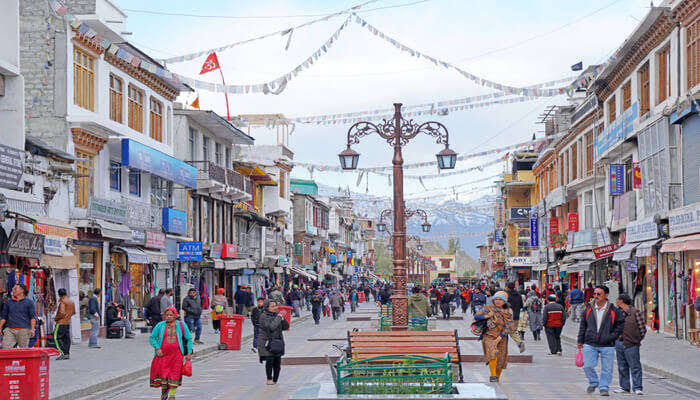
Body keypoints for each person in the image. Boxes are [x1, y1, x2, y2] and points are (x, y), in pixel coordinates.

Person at [577, 285, 625, 396]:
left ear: (606, 295)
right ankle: (594, 382)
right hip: (590, 342)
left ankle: (604, 387)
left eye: (599, 294)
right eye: (594, 294)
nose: (596, 296)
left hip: (608, 344)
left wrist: (612, 336)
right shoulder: (589, 309)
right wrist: (580, 340)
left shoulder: (614, 311)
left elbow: (621, 325)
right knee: (587, 365)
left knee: (607, 368)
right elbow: (583, 325)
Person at [149, 307, 193, 400]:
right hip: (163, 356)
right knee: (164, 375)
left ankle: (172, 396)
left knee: (175, 374)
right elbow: (152, 338)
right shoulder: (160, 325)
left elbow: (189, 339)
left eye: (171, 315)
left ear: (175, 315)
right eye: (167, 315)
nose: (168, 317)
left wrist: (189, 352)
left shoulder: (181, 325)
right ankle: (164, 393)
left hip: (177, 356)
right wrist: (157, 348)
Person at [475, 291, 513, 382]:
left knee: (501, 358)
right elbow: (476, 316)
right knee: (492, 353)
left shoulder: (508, 311)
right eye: (496, 299)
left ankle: (497, 377)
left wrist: (499, 338)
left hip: (502, 337)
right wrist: (487, 316)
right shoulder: (488, 308)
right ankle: (493, 376)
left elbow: (509, 327)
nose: (498, 301)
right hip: (489, 335)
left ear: (504, 301)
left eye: (500, 299)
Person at [614, 293, 646, 395]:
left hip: (632, 343)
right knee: (622, 366)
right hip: (619, 343)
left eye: (617, 299)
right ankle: (624, 387)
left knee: (635, 366)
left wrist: (636, 339)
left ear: (621, 301)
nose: (616, 301)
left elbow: (642, 329)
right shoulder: (617, 312)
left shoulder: (635, 312)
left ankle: (637, 387)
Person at [257, 300, 289, 385]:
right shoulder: (263, 316)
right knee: (270, 360)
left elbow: (286, 327)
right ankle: (269, 378)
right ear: (267, 307)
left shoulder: (277, 315)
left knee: (277, 363)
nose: (275, 307)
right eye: (272, 306)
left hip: (277, 341)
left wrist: (282, 319)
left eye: (276, 305)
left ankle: (275, 380)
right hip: (267, 342)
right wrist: (279, 317)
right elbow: (271, 327)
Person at [0, 284, 37, 349]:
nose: (12, 290)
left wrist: (32, 329)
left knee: (23, 349)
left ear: (21, 291)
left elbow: (33, 317)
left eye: (15, 289)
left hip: (24, 330)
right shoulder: (8, 302)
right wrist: (0, 327)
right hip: (10, 330)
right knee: (5, 347)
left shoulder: (29, 302)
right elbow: (4, 317)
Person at [54, 288, 75, 359]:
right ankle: (67, 352)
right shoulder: (71, 301)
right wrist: (67, 317)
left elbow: (61, 313)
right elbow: (73, 312)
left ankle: (63, 353)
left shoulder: (62, 302)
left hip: (60, 323)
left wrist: (56, 318)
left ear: (59, 294)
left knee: (57, 337)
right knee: (66, 338)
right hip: (67, 322)